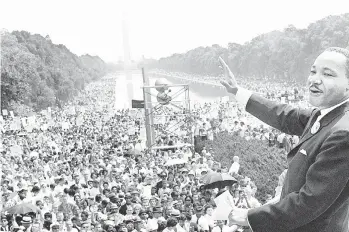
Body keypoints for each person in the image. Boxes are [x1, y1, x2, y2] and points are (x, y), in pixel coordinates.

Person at [219, 47, 349, 232]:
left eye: (328, 74)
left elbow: (310, 202)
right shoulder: (325, 114)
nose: (315, 79)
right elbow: (284, 115)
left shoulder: (342, 133)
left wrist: (249, 217)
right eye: (313, 71)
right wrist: (237, 92)